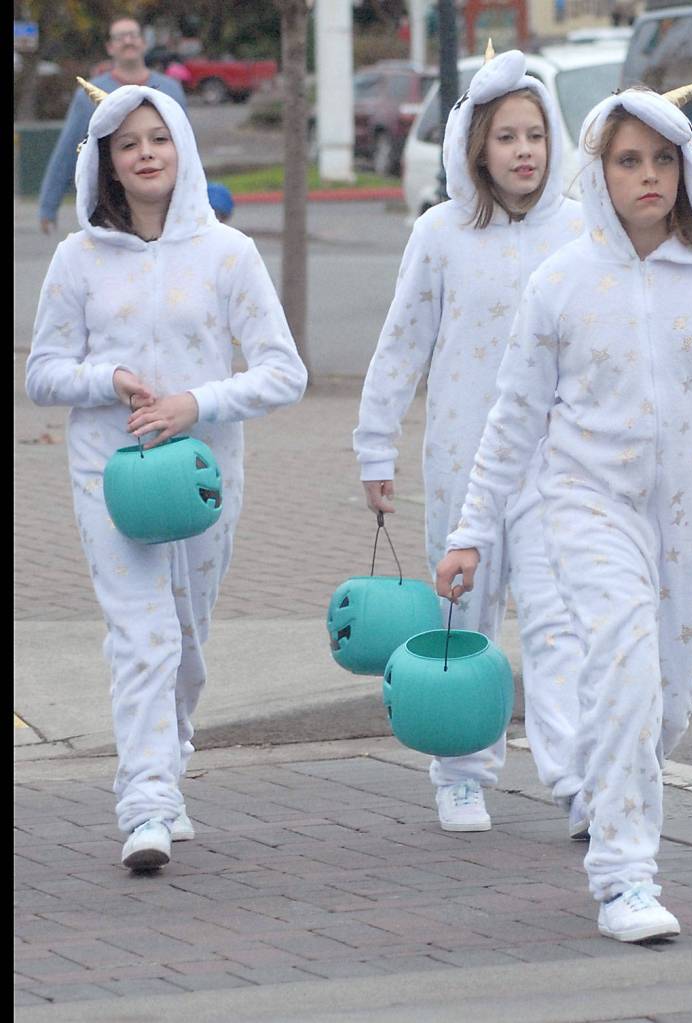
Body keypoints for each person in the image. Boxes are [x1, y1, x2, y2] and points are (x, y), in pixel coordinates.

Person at [436, 84, 692, 942]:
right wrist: (471, 530)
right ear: (597, 172)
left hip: (684, 522)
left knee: (671, 692)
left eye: (662, 158)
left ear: (687, 166)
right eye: (626, 160)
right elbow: (511, 418)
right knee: (624, 671)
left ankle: (617, 786)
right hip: (582, 506)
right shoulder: (561, 281)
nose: (648, 176)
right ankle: (622, 877)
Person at [26, 81, 307, 871]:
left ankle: (168, 757)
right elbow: (43, 372)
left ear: (181, 146)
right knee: (142, 635)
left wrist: (197, 403)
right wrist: (107, 379)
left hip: (203, 474)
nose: (146, 153)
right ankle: (145, 802)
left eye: (159, 137)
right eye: (128, 145)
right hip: (107, 475)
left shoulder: (229, 254)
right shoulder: (77, 259)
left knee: (184, 639)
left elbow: (285, 373)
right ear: (107, 165)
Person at [353, 49, 589, 836]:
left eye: (535, 134)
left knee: (559, 625)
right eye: (506, 137)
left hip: (558, 466)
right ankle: (460, 771)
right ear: (475, 149)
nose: (524, 151)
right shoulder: (441, 233)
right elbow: (400, 345)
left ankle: (575, 775)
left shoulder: (584, 230)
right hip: (462, 460)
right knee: (466, 621)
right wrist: (374, 447)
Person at [38, 16, 188, 235]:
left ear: (143, 43)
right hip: (109, 211)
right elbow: (66, 153)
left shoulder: (171, 90)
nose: (128, 41)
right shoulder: (87, 96)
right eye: (120, 37)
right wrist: (48, 206)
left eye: (133, 35)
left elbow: (187, 149)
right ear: (110, 47)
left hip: (167, 210)